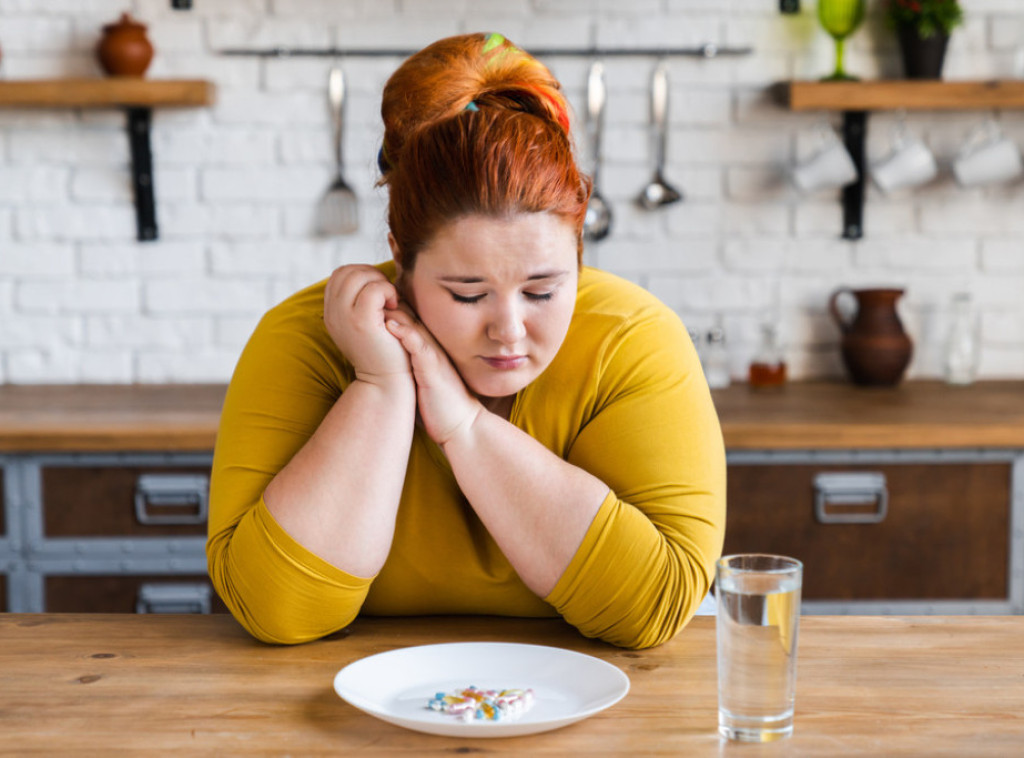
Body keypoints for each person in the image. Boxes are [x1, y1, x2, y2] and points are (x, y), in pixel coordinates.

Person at [207, 32, 726, 650]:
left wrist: (464, 427)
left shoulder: (634, 340)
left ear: (580, 252)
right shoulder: (304, 339)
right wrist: (381, 384)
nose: (508, 329)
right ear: (401, 258)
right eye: (467, 293)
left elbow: (654, 606)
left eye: (541, 291)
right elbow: (274, 610)